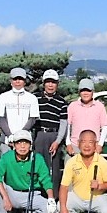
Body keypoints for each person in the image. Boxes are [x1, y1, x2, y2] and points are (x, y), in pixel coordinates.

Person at [0, 130, 55, 213]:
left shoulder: (38, 158)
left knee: (52, 210)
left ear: (30, 145)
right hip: (11, 193)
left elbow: (46, 180)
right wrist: (5, 198)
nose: (22, 146)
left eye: (26, 143)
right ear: (14, 145)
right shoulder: (7, 157)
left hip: (31, 195)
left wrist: (51, 198)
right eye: (19, 143)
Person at [59, 130, 107, 213]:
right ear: (78, 143)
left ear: (95, 145)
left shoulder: (103, 162)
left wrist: (100, 186)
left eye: (90, 142)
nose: (86, 146)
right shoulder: (72, 162)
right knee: (60, 205)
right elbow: (64, 186)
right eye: (83, 142)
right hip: (77, 196)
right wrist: (63, 208)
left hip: (97, 197)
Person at [33, 69, 68, 200]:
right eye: (48, 82)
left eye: (53, 82)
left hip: (54, 136)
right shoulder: (35, 98)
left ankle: (53, 198)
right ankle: (38, 195)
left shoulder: (61, 102)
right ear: (43, 83)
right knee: (37, 166)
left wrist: (58, 141)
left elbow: (63, 124)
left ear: (57, 84)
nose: (50, 85)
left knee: (53, 168)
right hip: (39, 135)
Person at [0, 67, 40, 153]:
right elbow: (1, 118)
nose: (17, 81)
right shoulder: (3, 97)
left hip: (25, 140)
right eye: (15, 79)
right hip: (7, 140)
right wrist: (10, 135)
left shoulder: (32, 98)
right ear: (11, 81)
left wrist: (20, 136)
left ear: (25, 81)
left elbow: (32, 119)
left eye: (20, 79)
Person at [65, 78, 107, 157]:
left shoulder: (100, 106)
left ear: (93, 92)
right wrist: (68, 144)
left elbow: (105, 126)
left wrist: (100, 144)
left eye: (88, 90)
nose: (85, 93)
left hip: (93, 148)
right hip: (75, 147)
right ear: (79, 92)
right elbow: (67, 125)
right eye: (83, 90)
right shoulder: (72, 106)